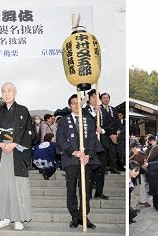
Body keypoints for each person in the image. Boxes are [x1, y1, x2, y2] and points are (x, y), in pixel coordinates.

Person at [0, 83, 34, 230]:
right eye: (4, 91)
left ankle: (18, 218)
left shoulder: (23, 110)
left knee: (16, 186)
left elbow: (29, 131)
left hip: (17, 151)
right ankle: (4, 217)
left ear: (15, 92)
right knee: (2, 185)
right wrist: (1, 144)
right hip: (1, 151)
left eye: (10, 90)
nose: (7, 93)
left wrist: (14, 144)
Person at [56, 94, 101, 229]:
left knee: (85, 189)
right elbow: (60, 139)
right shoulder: (63, 121)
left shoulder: (88, 120)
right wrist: (73, 152)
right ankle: (75, 216)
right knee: (71, 189)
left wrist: (88, 155)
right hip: (70, 160)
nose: (76, 105)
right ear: (70, 105)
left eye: (78, 103)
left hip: (85, 161)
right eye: (73, 103)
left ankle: (84, 216)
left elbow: (93, 140)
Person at [82, 90, 109, 200]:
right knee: (90, 169)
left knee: (101, 169)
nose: (94, 99)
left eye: (96, 97)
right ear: (89, 98)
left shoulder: (103, 110)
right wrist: (94, 113)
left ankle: (99, 191)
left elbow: (111, 123)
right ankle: (88, 192)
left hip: (102, 143)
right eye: (92, 97)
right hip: (90, 144)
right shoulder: (84, 110)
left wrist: (102, 130)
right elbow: (84, 123)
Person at [100, 93, 120, 174]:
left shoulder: (113, 109)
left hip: (113, 133)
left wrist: (118, 131)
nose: (105, 99)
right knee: (103, 152)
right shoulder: (99, 109)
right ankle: (103, 168)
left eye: (107, 98)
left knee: (113, 151)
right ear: (101, 99)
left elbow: (117, 122)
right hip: (103, 133)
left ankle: (113, 167)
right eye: (104, 98)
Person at [128, 159, 141, 224]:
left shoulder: (131, 178)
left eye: (138, 171)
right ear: (129, 169)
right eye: (136, 171)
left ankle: (129, 218)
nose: (137, 173)